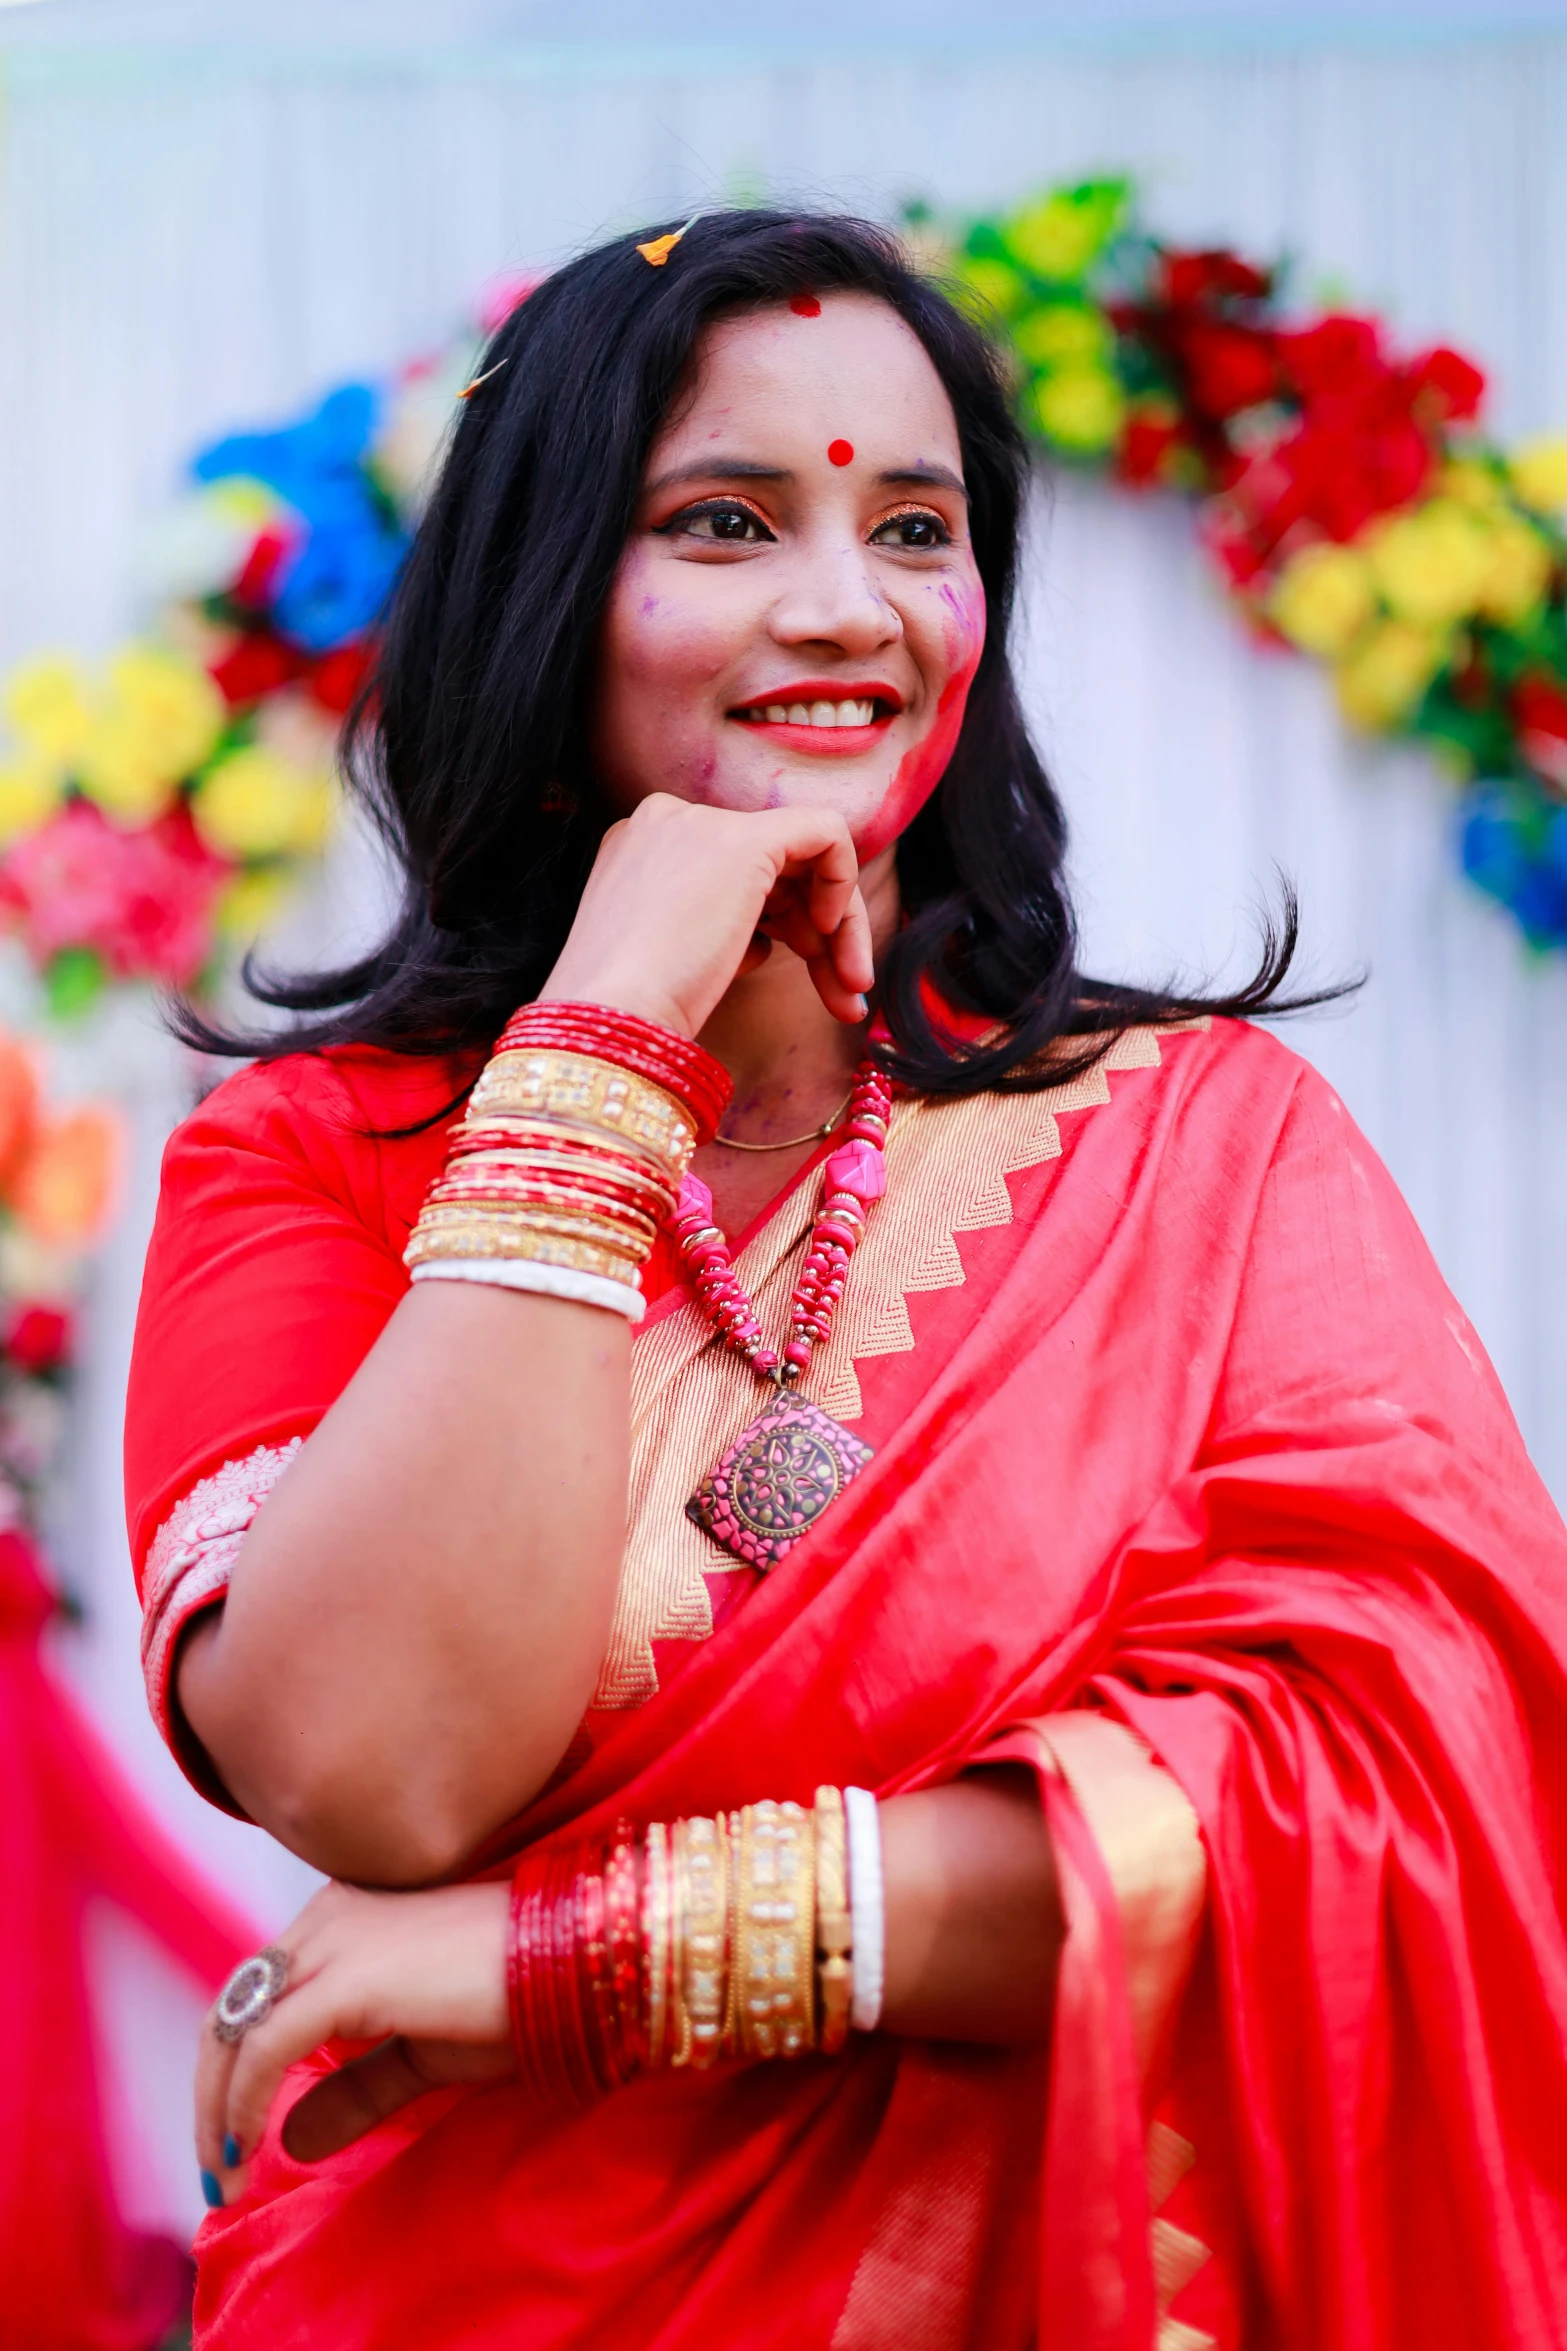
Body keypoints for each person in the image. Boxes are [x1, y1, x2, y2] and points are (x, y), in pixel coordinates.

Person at [124, 210, 1567, 2351]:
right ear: (544, 607)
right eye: (723, 519)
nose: (845, 607)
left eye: (917, 523)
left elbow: (1395, 1798)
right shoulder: (306, 1167)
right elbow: (380, 1765)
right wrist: (607, 1025)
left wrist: (602, 1949)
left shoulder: (1206, 1144)